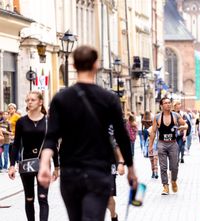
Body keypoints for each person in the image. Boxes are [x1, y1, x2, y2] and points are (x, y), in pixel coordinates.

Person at [37, 45, 137, 221]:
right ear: (96, 65)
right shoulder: (109, 99)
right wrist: (130, 168)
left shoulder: (61, 98)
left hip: (71, 173)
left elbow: (51, 136)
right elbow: (121, 136)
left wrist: (45, 164)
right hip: (98, 171)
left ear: (74, 66)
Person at [8, 91, 59, 221]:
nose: (29, 102)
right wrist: (12, 165)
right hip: (26, 165)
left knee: (43, 198)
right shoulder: (21, 122)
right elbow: (16, 145)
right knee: (29, 199)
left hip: (44, 164)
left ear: (40, 102)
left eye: (33, 100)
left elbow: (52, 145)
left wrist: (57, 167)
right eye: (28, 100)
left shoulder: (48, 121)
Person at [148, 97, 187, 195]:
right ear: (161, 105)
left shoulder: (176, 115)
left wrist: (183, 127)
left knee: (174, 166)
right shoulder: (157, 117)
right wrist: (150, 146)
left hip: (173, 143)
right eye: (165, 103)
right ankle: (165, 186)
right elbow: (153, 131)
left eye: (169, 103)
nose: (168, 104)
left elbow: (185, 124)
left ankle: (173, 181)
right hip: (161, 143)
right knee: (163, 167)